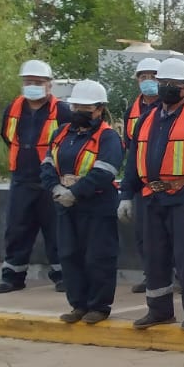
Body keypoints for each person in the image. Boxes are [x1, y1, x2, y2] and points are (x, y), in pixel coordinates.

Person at [120, 58, 184, 331]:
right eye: (164, 83)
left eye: (174, 85)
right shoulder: (145, 120)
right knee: (154, 257)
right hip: (151, 198)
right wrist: (126, 195)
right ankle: (159, 311)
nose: (167, 89)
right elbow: (133, 161)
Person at [42, 80, 124, 324]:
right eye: (76, 105)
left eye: (85, 107)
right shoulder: (61, 134)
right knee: (69, 256)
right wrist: (56, 188)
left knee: (98, 257)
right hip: (66, 207)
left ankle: (98, 306)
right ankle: (78, 304)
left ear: (99, 109)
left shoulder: (107, 137)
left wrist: (74, 192)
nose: (78, 110)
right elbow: (47, 165)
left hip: (97, 206)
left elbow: (104, 171)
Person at [0, 59, 72, 294]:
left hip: (51, 181)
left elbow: (70, 142)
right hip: (21, 179)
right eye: (28, 81)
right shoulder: (13, 109)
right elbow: (7, 136)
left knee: (56, 230)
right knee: (17, 229)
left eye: (38, 82)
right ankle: (13, 277)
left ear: (49, 85)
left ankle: (63, 276)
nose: (32, 86)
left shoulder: (62, 111)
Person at [122, 57, 164, 294]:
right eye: (143, 76)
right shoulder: (133, 111)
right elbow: (131, 149)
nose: (148, 81)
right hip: (141, 181)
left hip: (168, 183)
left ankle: (174, 275)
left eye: (153, 76)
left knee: (170, 235)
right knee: (144, 235)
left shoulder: (169, 106)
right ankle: (151, 276)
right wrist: (127, 191)